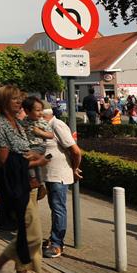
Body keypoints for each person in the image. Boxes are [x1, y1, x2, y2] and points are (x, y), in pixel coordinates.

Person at [0, 85, 49, 273]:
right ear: (4, 101)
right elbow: (5, 161)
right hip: (15, 185)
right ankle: (0, 269)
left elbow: (24, 152)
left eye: (20, 98)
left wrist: (34, 158)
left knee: (27, 234)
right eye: (14, 99)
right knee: (33, 235)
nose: (19, 102)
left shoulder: (19, 124)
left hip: (28, 183)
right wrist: (37, 162)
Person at [42, 107, 83, 259]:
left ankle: (57, 244)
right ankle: (54, 238)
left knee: (58, 208)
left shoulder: (57, 125)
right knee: (55, 207)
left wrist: (75, 168)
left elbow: (75, 151)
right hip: (50, 175)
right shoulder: (45, 126)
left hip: (59, 175)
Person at [20, 96, 54, 193]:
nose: (41, 113)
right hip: (28, 146)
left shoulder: (42, 122)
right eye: (38, 110)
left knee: (29, 158)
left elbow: (51, 135)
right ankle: (36, 181)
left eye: (41, 110)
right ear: (27, 111)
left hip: (39, 146)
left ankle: (36, 180)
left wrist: (40, 132)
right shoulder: (24, 121)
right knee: (33, 162)